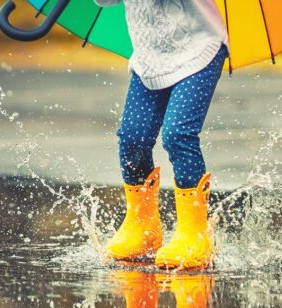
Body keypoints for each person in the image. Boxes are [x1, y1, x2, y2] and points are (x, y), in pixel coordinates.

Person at [95, 0, 229, 269]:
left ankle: (195, 233)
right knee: (133, 139)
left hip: (198, 48)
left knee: (178, 135)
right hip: (150, 58)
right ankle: (143, 227)